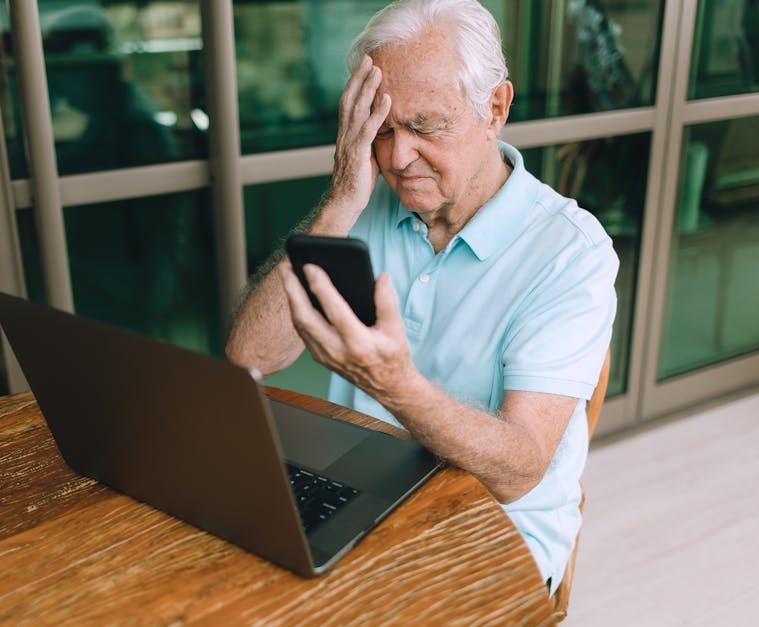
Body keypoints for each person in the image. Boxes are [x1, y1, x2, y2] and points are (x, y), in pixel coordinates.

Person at [225, 0, 618, 593]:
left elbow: (520, 469)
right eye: (381, 130)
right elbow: (248, 356)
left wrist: (394, 385)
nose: (397, 158)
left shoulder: (571, 253)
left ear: (495, 107)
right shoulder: (363, 203)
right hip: (359, 489)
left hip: (495, 529)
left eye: (425, 125)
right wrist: (339, 200)